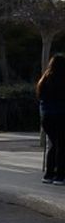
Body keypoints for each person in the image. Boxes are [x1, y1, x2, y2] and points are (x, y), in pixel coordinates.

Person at [38, 53, 65, 185]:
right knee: (61, 146)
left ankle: (49, 174)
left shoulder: (44, 79)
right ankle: (60, 175)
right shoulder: (62, 79)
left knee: (54, 145)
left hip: (47, 117)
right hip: (60, 115)